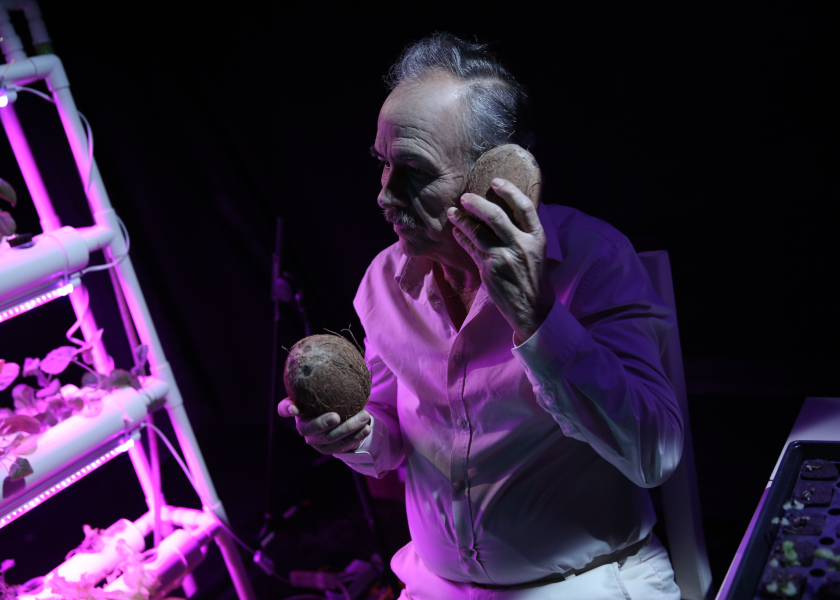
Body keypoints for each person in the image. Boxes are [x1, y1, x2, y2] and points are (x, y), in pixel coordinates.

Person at [279, 32, 683, 600]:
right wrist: (354, 433)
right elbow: (390, 432)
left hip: (586, 585)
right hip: (433, 586)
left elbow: (655, 453)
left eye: (414, 171)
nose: (384, 196)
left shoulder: (594, 260)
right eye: (382, 164)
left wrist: (537, 318)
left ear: (496, 177)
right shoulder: (384, 280)